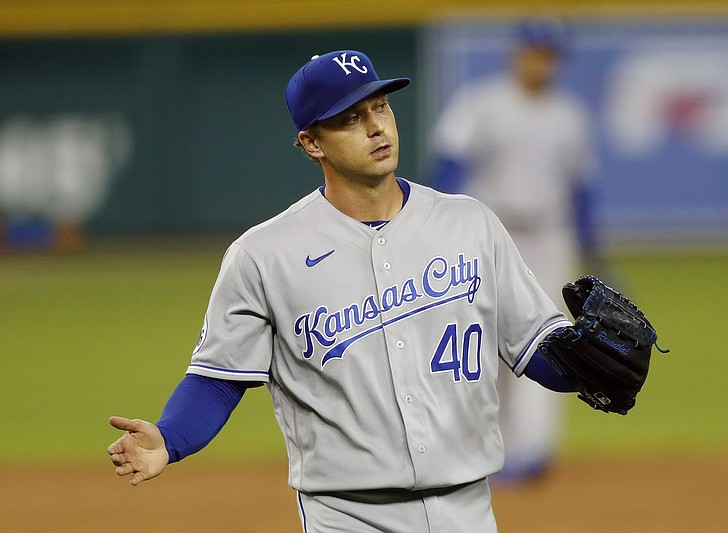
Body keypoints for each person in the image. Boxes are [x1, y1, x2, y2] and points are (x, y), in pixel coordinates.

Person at [108, 49, 580, 532]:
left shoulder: (469, 223)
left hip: (470, 512)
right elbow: (219, 377)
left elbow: (535, 346)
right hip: (349, 517)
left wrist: (590, 362)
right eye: (351, 118)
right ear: (312, 143)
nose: (376, 127)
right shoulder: (263, 255)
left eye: (381, 107)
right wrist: (170, 438)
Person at [430, 20, 599, 482]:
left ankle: (534, 451)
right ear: (516, 54)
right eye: (533, 52)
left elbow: (581, 189)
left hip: (550, 236)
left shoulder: (570, 115)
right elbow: (448, 166)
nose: (539, 62)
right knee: (484, 336)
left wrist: (595, 255)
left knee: (551, 336)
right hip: (492, 231)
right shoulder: (482, 104)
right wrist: (440, 230)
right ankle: (491, 445)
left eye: (548, 55)